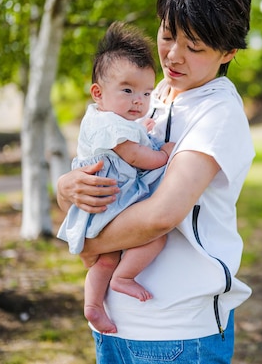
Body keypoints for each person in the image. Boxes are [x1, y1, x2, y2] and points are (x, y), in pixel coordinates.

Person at [56, 0, 254, 364]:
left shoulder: (217, 113)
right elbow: (101, 169)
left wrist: (84, 240)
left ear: (228, 52)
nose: (173, 57)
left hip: (176, 330)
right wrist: (66, 188)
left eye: (194, 47)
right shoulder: (151, 93)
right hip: (115, 320)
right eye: (167, 36)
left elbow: (161, 215)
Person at [57, 21, 176, 334]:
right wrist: (163, 155)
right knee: (156, 237)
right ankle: (123, 279)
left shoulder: (114, 118)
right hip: (114, 198)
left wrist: (143, 131)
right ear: (98, 92)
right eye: (127, 90)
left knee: (105, 259)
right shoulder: (110, 123)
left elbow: (134, 140)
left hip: (108, 201)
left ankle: (93, 306)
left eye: (146, 93)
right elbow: (136, 157)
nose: (139, 100)